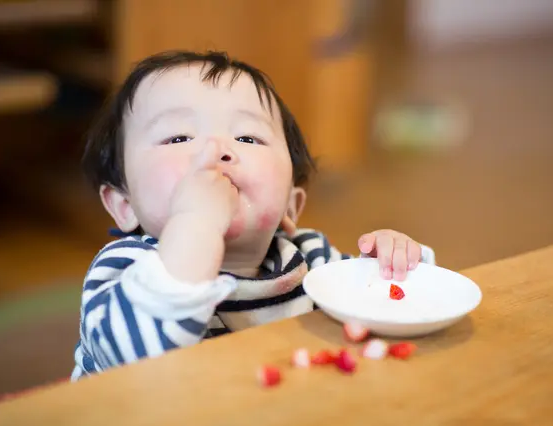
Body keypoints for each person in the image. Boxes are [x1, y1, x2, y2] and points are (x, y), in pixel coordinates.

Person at [72, 50, 436, 380]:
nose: (217, 151)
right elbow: (138, 360)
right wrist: (196, 223)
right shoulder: (126, 268)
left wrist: (393, 262)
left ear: (290, 206)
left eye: (248, 138)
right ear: (125, 205)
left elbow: (398, 308)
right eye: (178, 138)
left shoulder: (310, 258)